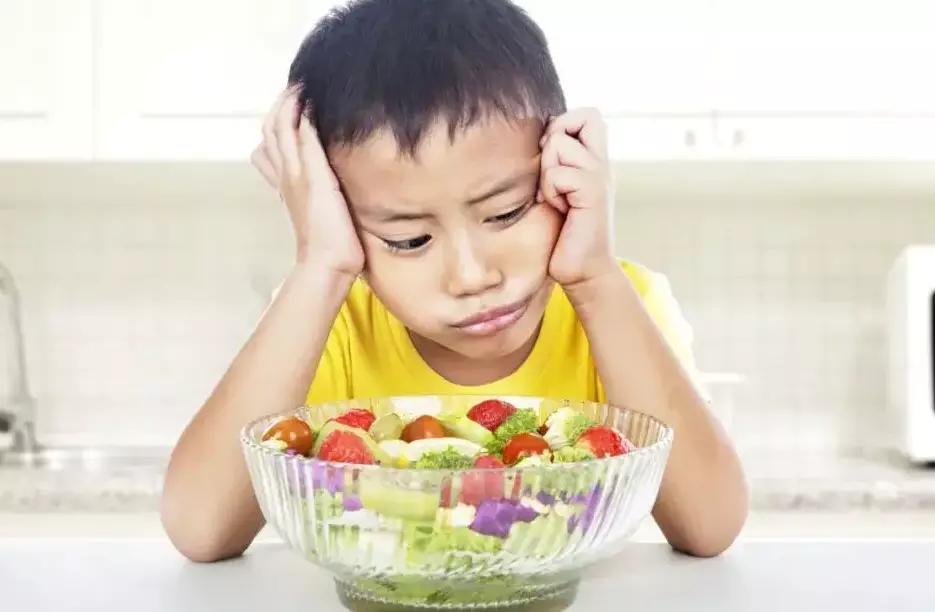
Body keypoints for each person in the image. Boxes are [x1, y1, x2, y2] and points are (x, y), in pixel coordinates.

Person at [161, 0, 748, 563]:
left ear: (560, 165)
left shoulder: (625, 303)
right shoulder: (330, 318)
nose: (473, 276)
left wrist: (594, 280)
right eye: (409, 240)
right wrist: (320, 267)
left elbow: (710, 525)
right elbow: (201, 528)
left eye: (507, 211)